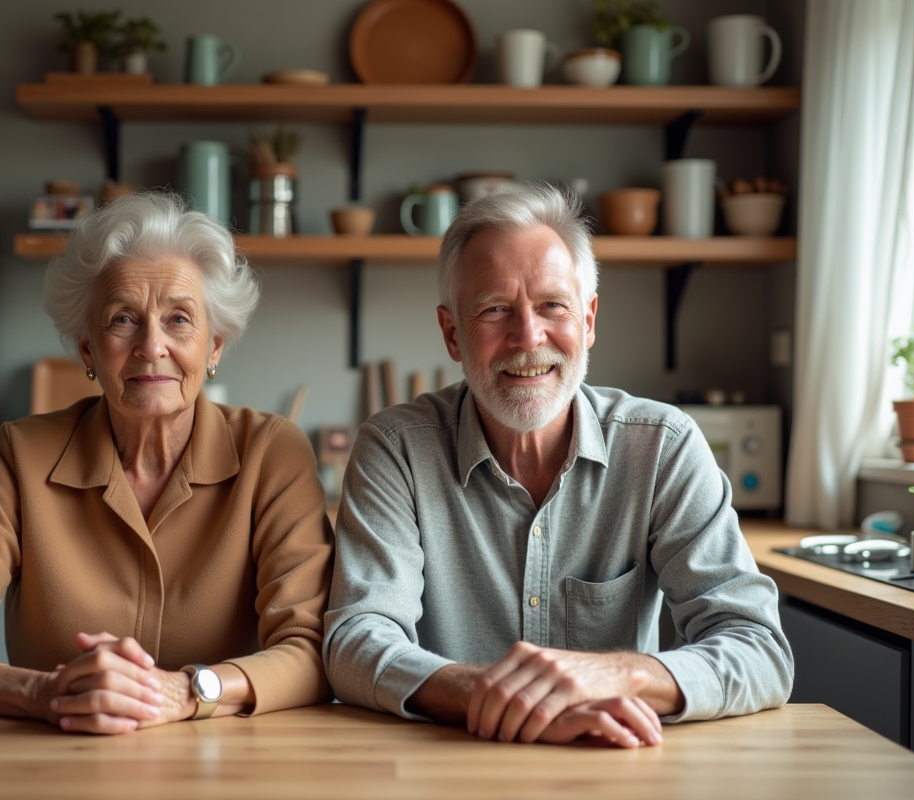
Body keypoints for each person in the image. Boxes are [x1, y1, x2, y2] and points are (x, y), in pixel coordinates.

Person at [323, 184, 792, 749]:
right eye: (495, 309)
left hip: (617, 767)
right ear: (452, 333)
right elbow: (356, 638)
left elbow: (758, 647)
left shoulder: (663, 447)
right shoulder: (394, 448)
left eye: (553, 305)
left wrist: (621, 676)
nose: (528, 336)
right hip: (447, 768)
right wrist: (494, 698)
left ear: (588, 320)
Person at [0, 192, 334, 734]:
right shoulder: (22, 456)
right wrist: (41, 693)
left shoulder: (272, 453)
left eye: (179, 319)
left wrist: (187, 692)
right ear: (88, 349)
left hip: (222, 772)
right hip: (55, 763)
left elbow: (312, 653)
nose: (151, 346)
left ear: (214, 346)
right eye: (123, 319)